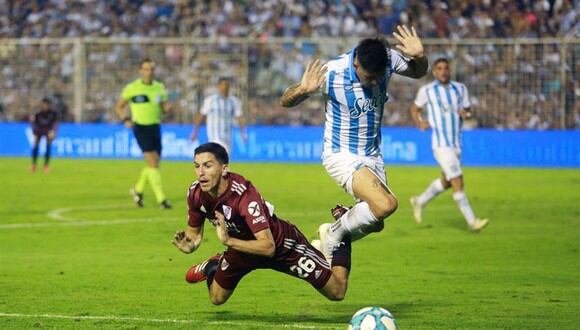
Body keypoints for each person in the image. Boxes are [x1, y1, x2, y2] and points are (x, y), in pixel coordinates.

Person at [279, 26, 428, 259]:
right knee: (387, 204)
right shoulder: (333, 72)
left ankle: (332, 233)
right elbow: (285, 101)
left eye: (379, 76)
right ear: (356, 64)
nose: (375, 82)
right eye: (369, 77)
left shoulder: (387, 58)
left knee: (376, 220)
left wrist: (419, 57)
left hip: (372, 154)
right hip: (341, 154)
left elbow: (418, 72)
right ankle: (333, 236)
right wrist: (302, 90)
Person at [171, 142, 351, 305]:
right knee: (216, 298)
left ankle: (339, 234)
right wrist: (190, 246)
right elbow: (193, 235)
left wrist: (228, 241)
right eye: (196, 166)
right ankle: (213, 266)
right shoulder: (195, 193)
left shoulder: (244, 197)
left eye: (207, 166)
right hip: (242, 250)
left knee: (337, 291)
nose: (200, 173)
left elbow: (268, 247)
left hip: (282, 248)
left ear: (224, 169)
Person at [409, 58, 489, 231]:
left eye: (446, 68)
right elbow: (414, 108)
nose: (443, 71)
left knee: (446, 181)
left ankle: (419, 201)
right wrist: (420, 123)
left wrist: (465, 113)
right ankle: (472, 221)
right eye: (439, 68)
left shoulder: (460, 89)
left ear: (449, 70)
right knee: (458, 180)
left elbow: (467, 110)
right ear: (435, 72)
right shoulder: (427, 90)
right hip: (441, 144)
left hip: (456, 144)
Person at [115, 58, 172, 209]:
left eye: (151, 69)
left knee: (155, 163)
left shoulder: (159, 87)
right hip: (140, 127)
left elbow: (164, 106)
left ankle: (138, 190)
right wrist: (125, 119)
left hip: (155, 127)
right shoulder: (132, 88)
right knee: (153, 162)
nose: (149, 72)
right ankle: (162, 200)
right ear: (141, 71)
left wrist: (167, 108)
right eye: (146, 69)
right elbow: (120, 106)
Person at [190, 77, 247, 154]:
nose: (225, 87)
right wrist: (195, 132)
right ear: (219, 86)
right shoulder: (210, 100)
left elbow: (239, 117)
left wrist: (243, 133)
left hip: (228, 135)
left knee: (225, 159)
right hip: (214, 134)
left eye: (227, 85)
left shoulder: (234, 101)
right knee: (220, 154)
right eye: (223, 85)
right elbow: (201, 115)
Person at [30, 97, 58, 173]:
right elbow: (33, 124)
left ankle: (46, 165)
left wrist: (53, 131)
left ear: (49, 105)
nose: (45, 106)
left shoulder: (53, 113)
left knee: (48, 146)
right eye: (43, 104)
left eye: (46, 104)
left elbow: (55, 124)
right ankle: (34, 165)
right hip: (39, 131)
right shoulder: (38, 113)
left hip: (48, 131)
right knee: (36, 146)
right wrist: (34, 133)